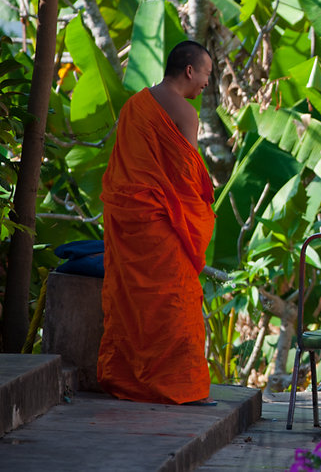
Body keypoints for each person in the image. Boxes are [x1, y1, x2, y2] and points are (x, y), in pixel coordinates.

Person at [97, 40, 217, 405]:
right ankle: (178, 385)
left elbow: (123, 168)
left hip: (131, 217)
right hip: (164, 222)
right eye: (207, 75)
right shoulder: (185, 114)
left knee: (133, 302)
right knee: (174, 301)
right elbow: (187, 179)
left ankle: (130, 382)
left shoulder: (135, 105)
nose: (206, 85)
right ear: (190, 70)